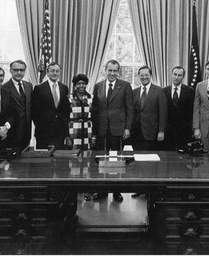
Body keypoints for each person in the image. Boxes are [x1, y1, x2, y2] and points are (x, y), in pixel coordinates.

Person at [91, 59, 134, 203]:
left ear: (118, 72)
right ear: (105, 70)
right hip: (102, 129)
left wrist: (127, 127)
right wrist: (94, 132)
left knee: (116, 161)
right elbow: (95, 111)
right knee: (102, 160)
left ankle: (116, 192)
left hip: (118, 129)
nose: (112, 73)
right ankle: (101, 191)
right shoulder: (98, 86)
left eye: (115, 71)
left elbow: (130, 109)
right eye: (110, 70)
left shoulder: (125, 86)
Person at [31, 62, 70, 150]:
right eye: (52, 71)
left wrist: (65, 131)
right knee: (44, 160)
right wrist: (41, 126)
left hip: (59, 132)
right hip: (43, 132)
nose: (55, 73)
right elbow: (34, 112)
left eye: (57, 71)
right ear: (47, 72)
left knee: (57, 159)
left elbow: (66, 110)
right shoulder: (39, 88)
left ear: (60, 73)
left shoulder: (64, 88)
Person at [68, 73, 94, 202]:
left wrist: (93, 136)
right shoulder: (69, 98)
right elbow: (65, 117)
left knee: (87, 160)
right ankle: (74, 189)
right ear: (75, 85)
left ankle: (87, 190)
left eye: (83, 83)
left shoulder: (91, 98)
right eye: (79, 83)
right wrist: (67, 136)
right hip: (74, 129)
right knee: (74, 159)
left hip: (88, 129)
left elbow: (94, 116)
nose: (81, 86)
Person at [131, 66, 167, 151]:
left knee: (150, 159)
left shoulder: (159, 91)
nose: (144, 77)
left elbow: (163, 113)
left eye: (146, 75)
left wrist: (161, 131)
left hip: (152, 132)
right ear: (138, 76)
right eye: (141, 75)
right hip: (136, 132)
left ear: (150, 76)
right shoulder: (134, 92)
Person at [1, 60, 33, 150]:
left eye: (22, 70)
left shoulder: (29, 86)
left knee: (25, 160)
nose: (19, 72)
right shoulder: (4, 88)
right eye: (16, 70)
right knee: (13, 162)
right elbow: (3, 112)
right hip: (12, 133)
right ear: (10, 71)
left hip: (27, 131)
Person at [163, 66, 194, 151]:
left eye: (179, 75)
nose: (176, 77)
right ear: (171, 75)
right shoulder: (164, 91)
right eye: (175, 74)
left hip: (184, 131)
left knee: (183, 159)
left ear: (183, 77)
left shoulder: (190, 91)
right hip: (168, 131)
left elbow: (192, 112)